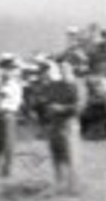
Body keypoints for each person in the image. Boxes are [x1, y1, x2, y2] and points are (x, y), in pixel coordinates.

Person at [32, 56, 84, 192]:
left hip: (69, 125)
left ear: (73, 68)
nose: (63, 70)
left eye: (66, 68)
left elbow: (79, 107)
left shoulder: (77, 85)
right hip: (54, 125)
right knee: (56, 155)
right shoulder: (56, 85)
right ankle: (59, 184)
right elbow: (44, 100)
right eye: (61, 68)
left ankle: (74, 187)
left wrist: (61, 108)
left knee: (71, 157)